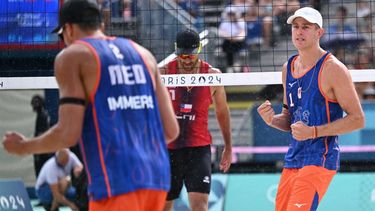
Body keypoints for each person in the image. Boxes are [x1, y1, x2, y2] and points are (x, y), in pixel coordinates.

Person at [2, 1, 179, 211]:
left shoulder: (73, 56)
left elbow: (68, 134)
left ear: (68, 29)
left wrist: (24, 147)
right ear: (101, 24)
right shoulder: (144, 54)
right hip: (156, 178)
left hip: (115, 182)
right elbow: (171, 130)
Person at [257, 7, 365, 211]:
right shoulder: (288, 68)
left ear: (319, 32)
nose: (299, 31)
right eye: (296, 27)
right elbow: (290, 121)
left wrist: (313, 132)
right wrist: (272, 120)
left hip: (320, 158)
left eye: (305, 27)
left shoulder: (333, 69)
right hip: (294, 158)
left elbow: (357, 119)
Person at [160, 29, 232, 211]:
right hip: (167, 149)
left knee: (200, 206)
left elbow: (222, 111)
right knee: (162, 206)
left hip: (198, 149)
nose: (185, 59)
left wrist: (228, 147)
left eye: (190, 56)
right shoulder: (163, 73)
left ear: (199, 50)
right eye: (182, 55)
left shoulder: (212, 75)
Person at [30, 95, 53, 177]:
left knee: (41, 171)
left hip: (41, 149)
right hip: (42, 148)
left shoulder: (43, 115)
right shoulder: (43, 115)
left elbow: (42, 133)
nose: (34, 105)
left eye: (36, 103)